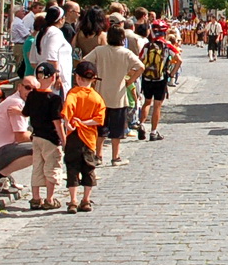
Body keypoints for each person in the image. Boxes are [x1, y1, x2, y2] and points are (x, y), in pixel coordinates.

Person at [84, 25, 143, 166]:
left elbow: (84, 62)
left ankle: (98, 156)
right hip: (119, 95)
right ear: (122, 38)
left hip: (101, 94)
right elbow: (141, 67)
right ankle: (115, 157)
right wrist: (130, 80)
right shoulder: (126, 53)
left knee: (100, 128)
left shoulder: (99, 50)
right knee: (117, 129)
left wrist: (92, 77)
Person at [60, 61, 105, 214]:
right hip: (89, 138)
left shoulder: (73, 93)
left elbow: (67, 109)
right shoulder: (96, 97)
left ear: (77, 77)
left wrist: (69, 123)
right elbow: (99, 119)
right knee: (89, 168)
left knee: (72, 167)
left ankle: (73, 200)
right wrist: (85, 122)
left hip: (74, 136)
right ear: (93, 79)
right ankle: (86, 200)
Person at [24, 63, 65, 211]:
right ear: (53, 77)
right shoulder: (54, 99)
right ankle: (49, 198)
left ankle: (35, 198)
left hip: (36, 136)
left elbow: (25, 113)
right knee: (51, 168)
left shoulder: (32, 95)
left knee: (37, 167)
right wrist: (64, 139)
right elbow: (57, 122)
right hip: (51, 138)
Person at [0, 77, 36, 184]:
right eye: (28, 88)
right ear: (19, 87)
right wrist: (42, 137)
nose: (31, 92)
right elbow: (21, 137)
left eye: (34, 90)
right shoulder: (17, 103)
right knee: (39, 150)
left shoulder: (18, 101)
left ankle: (3, 175)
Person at [138, 29, 177, 141]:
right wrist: (171, 74)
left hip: (147, 78)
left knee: (147, 102)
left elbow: (140, 60)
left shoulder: (147, 46)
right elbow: (179, 60)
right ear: (164, 34)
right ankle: (153, 132)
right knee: (157, 105)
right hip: (161, 78)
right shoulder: (167, 46)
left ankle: (141, 124)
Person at [32, 6, 71, 90]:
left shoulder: (41, 32)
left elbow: (33, 60)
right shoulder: (55, 32)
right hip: (54, 80)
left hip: (42, 76)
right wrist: (56, 76)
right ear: (61, 19)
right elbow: (51, 57)